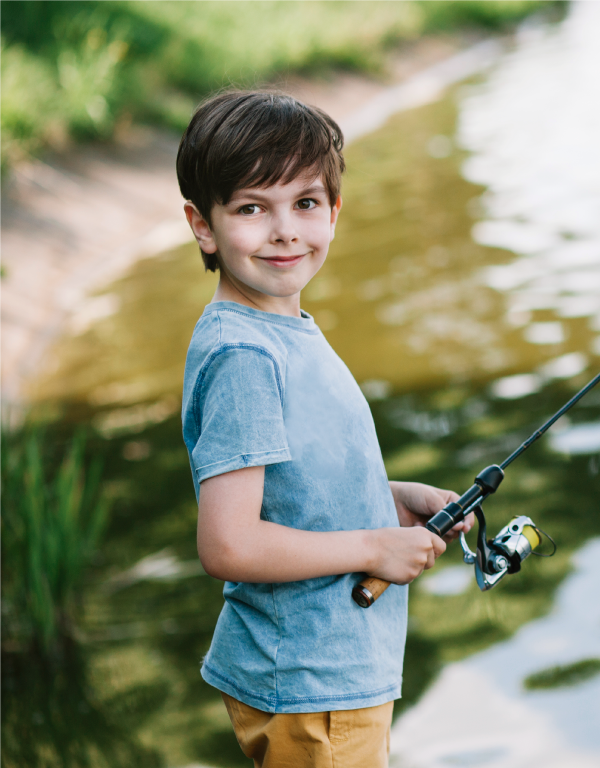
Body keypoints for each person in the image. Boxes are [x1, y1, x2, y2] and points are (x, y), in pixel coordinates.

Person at [177, 90, 470, 767]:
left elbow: (289, 482)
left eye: (305, 203)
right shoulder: (245, 356)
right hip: (312, 686)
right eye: (253, 208)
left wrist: (389, 500)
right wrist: (373, 546)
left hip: (324, 675)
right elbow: (229, 542)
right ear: (204, 225)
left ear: (335, 212)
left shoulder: (280, 328)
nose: (284, 230)